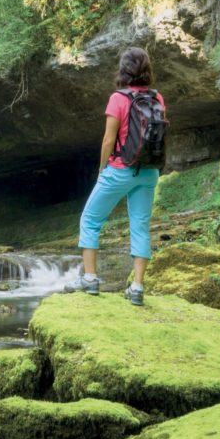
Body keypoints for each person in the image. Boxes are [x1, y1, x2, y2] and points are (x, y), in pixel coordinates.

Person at [65, 46, 165, 306]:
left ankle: (90, 278)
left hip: (120, 170)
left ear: (123, 70)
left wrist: (102, 169)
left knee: (90, 219)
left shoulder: (118, 98)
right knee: (140, 226)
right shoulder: (157, 99)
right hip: (149, 172)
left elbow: (109, 139)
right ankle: (137, 287)